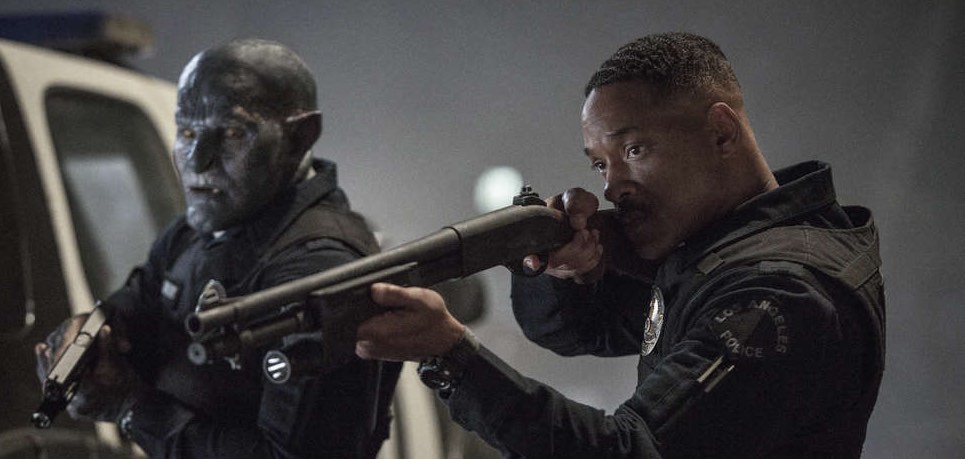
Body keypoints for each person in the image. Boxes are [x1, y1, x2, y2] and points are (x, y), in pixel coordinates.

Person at [355, 32, 885, 457]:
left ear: (721, 132)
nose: (612, 187)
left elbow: (631, 450)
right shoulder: (722, 251)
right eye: (600, 164)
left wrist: (451, 355)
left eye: (634, 149)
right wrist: (564, 267)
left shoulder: (776, 295)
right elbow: (573, 331)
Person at [35, 38, 401, 458]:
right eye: (187, 131)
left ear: (299, 137)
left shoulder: (320, 269)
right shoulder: (201, 229)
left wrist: (131, 409)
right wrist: (85, 340)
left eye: (232, 133)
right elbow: (135, 308)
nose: (197, 159)